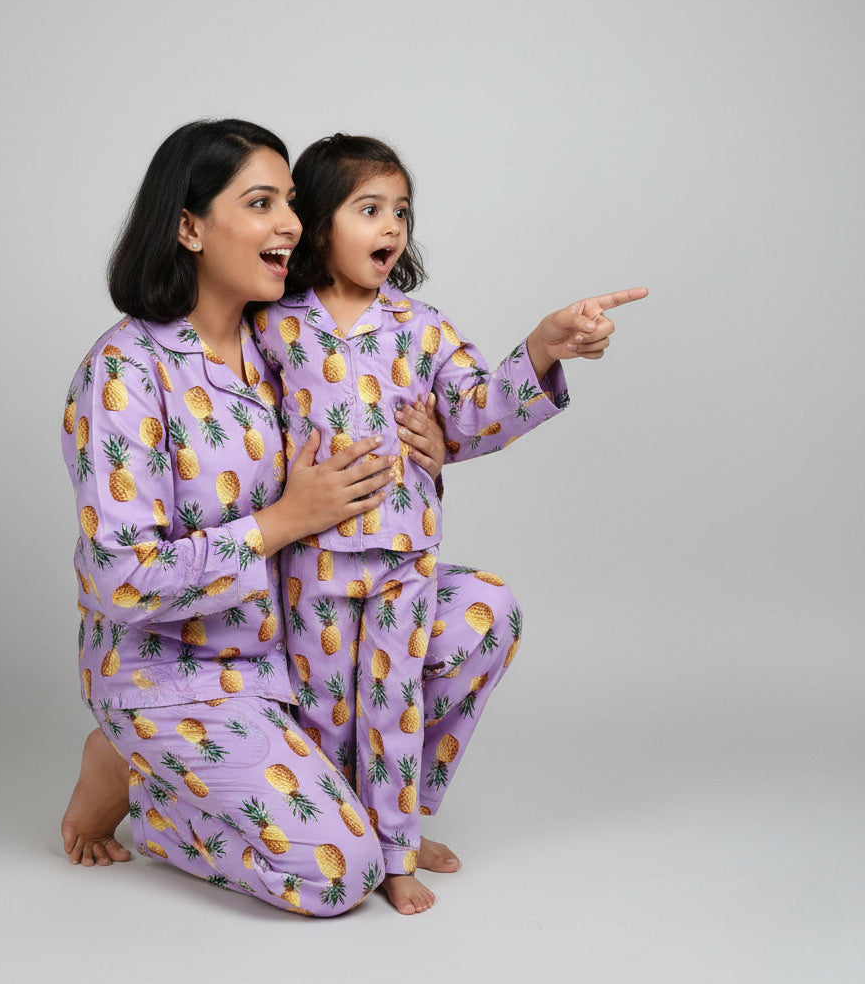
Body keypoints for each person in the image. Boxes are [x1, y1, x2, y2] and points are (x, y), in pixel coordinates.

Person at [59, 119, 454, 916]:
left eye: (295, 206)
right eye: (262, 203)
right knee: (341, 875)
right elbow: (120, 583)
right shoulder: (125, 371)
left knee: (484, 615)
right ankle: (141, 779)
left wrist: (427, 446)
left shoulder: (284, 343)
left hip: (300, 641)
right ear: (189, 226)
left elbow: (369, 447)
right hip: (177, 674)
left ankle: (382, 816)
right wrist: (279, 523)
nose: (292, 227)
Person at [252, 134, 647, 912]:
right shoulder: (273, 325)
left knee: (392, 702)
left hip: (403, 558)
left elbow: (473, 410)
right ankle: (359, 835)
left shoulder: (420, 325)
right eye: (370, 209)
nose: (392, 226)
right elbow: (247, 431)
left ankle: (394, 850)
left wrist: (542, 345)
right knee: (327, 713)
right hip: (310, 562)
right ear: (318, 221)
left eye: (401, 211)